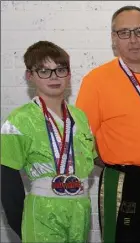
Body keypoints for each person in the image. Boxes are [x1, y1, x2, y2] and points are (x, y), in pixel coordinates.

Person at [75, 5, 140, 242]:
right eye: (124, 33)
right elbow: (81, 139)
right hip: (123, 183)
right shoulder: (96, 81)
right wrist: (114, 162)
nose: (133, 40)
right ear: (114, 39)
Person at [0, 41, 96, 242]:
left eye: (60, 70)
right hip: (43, 212)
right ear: (30, 76)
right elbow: (7, 180)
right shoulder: (19, 120)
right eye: (44, 71)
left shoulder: (80, 118)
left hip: (80, 210)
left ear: (69, 75)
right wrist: (22, 224)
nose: (54, 77)